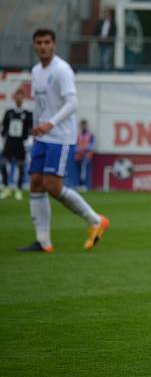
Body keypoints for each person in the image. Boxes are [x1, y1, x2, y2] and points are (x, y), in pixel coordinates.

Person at [18, 29, 110, 253]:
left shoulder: (61, 70)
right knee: (36, 183)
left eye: (47, 42)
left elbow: (72, 104)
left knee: (52, 185)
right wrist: (37, 127)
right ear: (34, 45)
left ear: (54, 45)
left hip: (60, 137)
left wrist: (50, 123)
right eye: (39, 42)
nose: (43, 46)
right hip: (43, 136)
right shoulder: (36, 71)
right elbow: (42, 104)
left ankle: (96, 220)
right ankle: (43, 241)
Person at [1, 88, 33, 201]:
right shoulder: (9, 112)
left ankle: (18, 189)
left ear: (23, 97)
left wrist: (28, 141)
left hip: (21, 143)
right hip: (9, 142)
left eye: (21, 95)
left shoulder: (27, 113)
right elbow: (3, 128)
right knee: (3, 164)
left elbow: (31, 129)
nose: (18, 97)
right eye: (17, 95)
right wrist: (3, 139)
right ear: (14, 97)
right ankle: (6, 188)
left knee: (20, 167)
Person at [74, 119, 95, 190]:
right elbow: (75, 145)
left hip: (86, 156)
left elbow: (91, 146)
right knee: (78, 171)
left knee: (84, 171)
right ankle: (79, 184)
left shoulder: (90, 135)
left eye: (84, 125)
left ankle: (83, 185)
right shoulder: (78, 135)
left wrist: (83, 150)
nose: (83, 126)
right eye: (82, 125)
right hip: (78, 156)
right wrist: (78, 150)